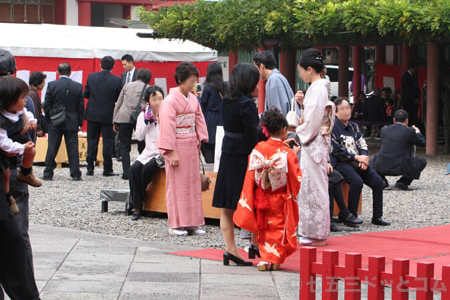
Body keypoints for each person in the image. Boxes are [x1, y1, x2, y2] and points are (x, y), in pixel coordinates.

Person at [233, 108, 301, 271]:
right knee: (278, 226)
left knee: (263, 225)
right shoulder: (287, 153)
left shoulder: (259, 148)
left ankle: (264, 259)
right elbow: (296, 176)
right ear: (284, 130)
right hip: (279, 196)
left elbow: (251, 173)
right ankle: (275, 259)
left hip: (261, 195)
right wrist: (294, 153)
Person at [0, 48, 40, 300]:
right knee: (18, 238)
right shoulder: (24, 98)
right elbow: (32, 137)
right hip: (16, 172)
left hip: (7, 171)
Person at [212, 63, 259, 266]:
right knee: (252, 201)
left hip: (228, 153)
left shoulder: (227, 100)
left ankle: (230, 248)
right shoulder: (247, 104)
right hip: (243, 155)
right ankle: (254, 243)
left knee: (227, 206)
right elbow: (252, 134)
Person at [157, 62, 208, 236]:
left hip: (191, 144)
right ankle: (176, 224)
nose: (194, 85)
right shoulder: (169, 101)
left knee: (193, 184)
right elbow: (167, 126)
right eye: (191, 81)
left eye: (195, 81)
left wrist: (201, 137)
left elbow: (199, 119)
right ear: (180, 80)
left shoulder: (192, 99)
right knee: (177, 185)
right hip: (177, 144)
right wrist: (171, 151)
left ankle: (193, 222)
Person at [295, 48, 334, 246]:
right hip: (315, 141)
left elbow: (312, 122)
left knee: (314, 188)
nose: (300, 74)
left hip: (313, 142)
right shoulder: (319, 87)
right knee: (311, 186)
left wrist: (297, 135)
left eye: (301, 70)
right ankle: (312, 230)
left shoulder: (317, 88)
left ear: (310, 69)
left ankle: (316, 232)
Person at [331, 97, 391, 226]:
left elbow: (362, 143)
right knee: (357, 182)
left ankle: (377, 216)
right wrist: (356, 157)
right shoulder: (333, 127)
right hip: (341, 162)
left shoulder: (354, 126)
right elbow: (336, 150)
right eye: (343, 109)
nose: (346, 111)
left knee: (378, 182)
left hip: (358, 160)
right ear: (335, 112)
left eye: (348, 108)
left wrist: (364, 158)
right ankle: (351, 215)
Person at [0, 76, 42, 215]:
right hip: (8, 149)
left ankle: (26, 171)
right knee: (5, 173)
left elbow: (28, 114)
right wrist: (21, 148)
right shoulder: (2, 120)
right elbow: (3, 142)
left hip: (19, 147)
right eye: (22, 97)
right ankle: (7, 197)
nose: (26, 100)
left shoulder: (20, 110)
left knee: (32, 151)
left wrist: (32, 121)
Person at [43, 63, 83, 181]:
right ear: (70, 72)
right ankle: (75, 173)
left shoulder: (52, 85)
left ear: (57, 72)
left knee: (52, 147)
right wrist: (79, 122)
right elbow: (80, 107)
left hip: (55, 120)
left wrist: (50, 119)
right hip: (72, 121)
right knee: (72, 148)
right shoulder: (78, 86)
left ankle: (48, 173)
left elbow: (47, 105)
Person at [129, 86, 164, 221]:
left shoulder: (167, 114)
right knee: (134, 169)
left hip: (162, 153)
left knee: (148, 168)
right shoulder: (143, 114)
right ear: (148, 101)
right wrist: (146, 121)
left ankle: (136, 203)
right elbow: (139, 137)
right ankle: (137, 203)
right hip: (148, 151)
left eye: (160, 98)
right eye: (154, 99)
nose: (158, 102)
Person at [370, 109, 427, 190]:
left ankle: (381, 180)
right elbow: (422, 143)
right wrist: (417, 132)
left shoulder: (384, 129)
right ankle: (403, 182)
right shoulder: (409, 131)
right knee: (422, 161)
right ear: (407, 121)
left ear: (394, 120)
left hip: (382, 165)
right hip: (401, 166)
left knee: (372, 160)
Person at [84, 56, 122, 177]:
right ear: (113, 66)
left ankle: (90, 167)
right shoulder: (116, 80)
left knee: (92, 140)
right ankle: (107, 168)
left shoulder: (92, 77)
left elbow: (86, 94)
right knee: (107, 142)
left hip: (93, 113)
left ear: (100, 65)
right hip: (108, 114)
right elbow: (118, 97)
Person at [113, 68, 152, 180]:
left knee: (124, 147)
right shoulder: (148, 88)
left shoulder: (127, 85)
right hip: (139, 118)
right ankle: (141, 169)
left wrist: (115, 120)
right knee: (142, 144)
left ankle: (126, 173)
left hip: (123, 117)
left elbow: (119, 103)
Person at [200, 62, 227, 163]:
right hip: (222, 118)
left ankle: (210, 164)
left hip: (209, 119)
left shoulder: (208, 87)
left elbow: (203, 104)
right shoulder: (225, 86)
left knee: (209, 144)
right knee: (220, 144)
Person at [254, 50, 294, 116]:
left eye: (256, 68)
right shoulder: (279, 77)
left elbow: (277, 113)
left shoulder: (273, 80)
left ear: (261, 66)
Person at [401, 61, 420, 126]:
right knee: (410, 116)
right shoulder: (406, 76)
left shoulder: (411, 76)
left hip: (411, 101)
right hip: (408, 101)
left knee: (412, 116)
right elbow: (407, 90)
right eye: (415, 68)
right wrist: (413, 98)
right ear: (412, 68)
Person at [28, 71, 47, 137]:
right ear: (38, 82)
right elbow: (35, 112)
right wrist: (38, 129)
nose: (44, 84)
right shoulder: (33, 95)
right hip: (33, 126)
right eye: (43, 82)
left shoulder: (28, 92)